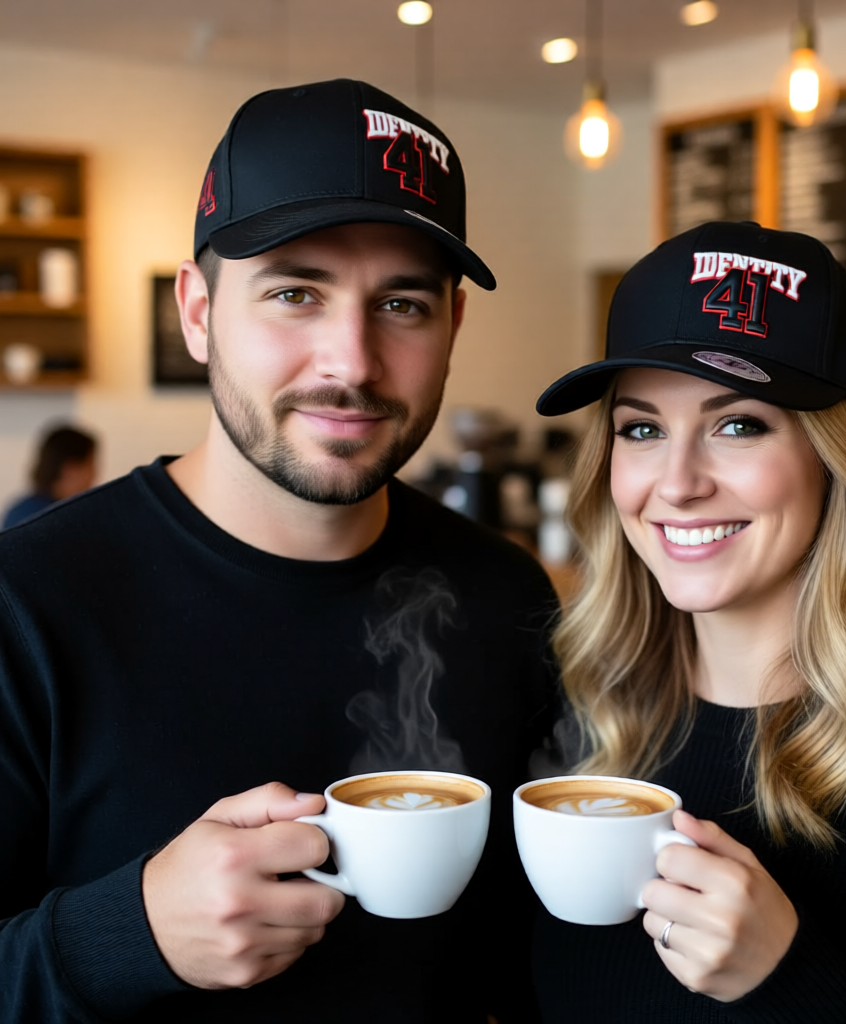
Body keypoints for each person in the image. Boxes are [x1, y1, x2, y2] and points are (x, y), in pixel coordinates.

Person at [0, 80, 557, 1023]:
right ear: (198, 311)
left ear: (453, 327)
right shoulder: (29, 603)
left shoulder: (507, 594)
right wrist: (125, 933)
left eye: (404, 304)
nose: (350, 361)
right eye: (295, 292)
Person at [531, 221, 846, 1022]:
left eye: (739, 424)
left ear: (836, 461)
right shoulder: (587, 702)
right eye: (643, 429)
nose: (679, 482)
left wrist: (784, 978)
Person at [2, 424, 97, 528]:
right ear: (69, 469)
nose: (94, 475)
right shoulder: (56, 519)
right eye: (90, 465)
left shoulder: (19, 511)